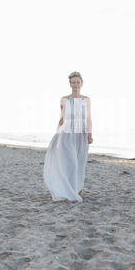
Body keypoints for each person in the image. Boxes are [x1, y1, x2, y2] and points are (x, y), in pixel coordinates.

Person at [43, 71, 93, 202]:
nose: (75, 84)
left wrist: (90, 133)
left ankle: (78, 190)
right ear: (70, 84)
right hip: (67, 134)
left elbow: (88, 118)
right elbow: (61, 118)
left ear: (81, 84)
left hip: (82, 134)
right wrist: (56, 134)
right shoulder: (64, 99)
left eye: (78, 82)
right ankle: (69, 190)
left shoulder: (86, 100)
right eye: (73, 82)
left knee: (80, 162)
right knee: (71, 163)